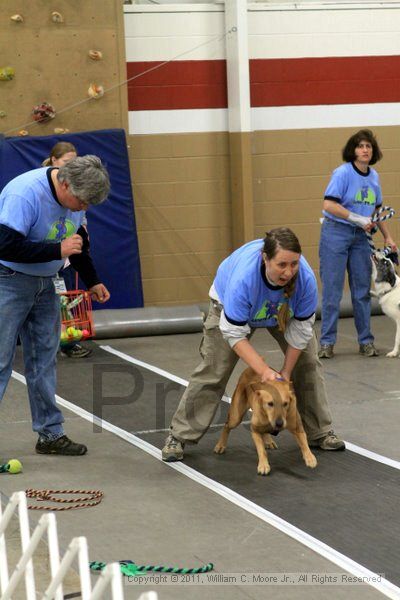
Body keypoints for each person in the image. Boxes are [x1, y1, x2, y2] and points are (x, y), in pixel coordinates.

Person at [162, 227, 345, 462]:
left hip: (281, 308)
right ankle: (179, 435)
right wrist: (264, 371)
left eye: (294, 264)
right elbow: (235, 334)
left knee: (308, 362)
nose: (289, 272)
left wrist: (286, 373)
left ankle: (320, 432)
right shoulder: (243, 280)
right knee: (214, 370)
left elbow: (301, 331)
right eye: (282, 265)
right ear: (265, 258)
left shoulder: (305, 280)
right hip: (230, 310)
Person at [0, 155, 111, 455]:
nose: (84, 208)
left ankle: (50, 435)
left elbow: (77, 245)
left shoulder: (77, 201)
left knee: (44, 361)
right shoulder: (25, 193)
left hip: (45, 283)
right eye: (82, 201)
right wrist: (56, 249)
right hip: (7, 279)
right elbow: (3, 243)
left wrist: (92, 281)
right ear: (64, 183)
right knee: (1, 362)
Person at [318, 129, 397, 359]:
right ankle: (326, 343)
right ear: (353, 151)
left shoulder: (373, 177)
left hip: (361, 237)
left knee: (362, 290)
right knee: (332, 291)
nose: (365, 150)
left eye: (369, 146)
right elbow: (328, 205)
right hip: (336, 233)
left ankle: (366, 342)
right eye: (361, 146)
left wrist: (388, 237)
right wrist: (355, 217)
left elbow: (377, 210)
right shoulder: (342, 174)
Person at [43, 142, 91, 358]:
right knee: (47, 303)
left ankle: (68, 343)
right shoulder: (44, 192)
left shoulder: (77, 197)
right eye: (66, 162)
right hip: (45, 260)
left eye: (75, 162)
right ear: (54, 161)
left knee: (66, 301)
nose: (71, 166)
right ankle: (47, 344)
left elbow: (80, 224)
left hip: (66, 261)